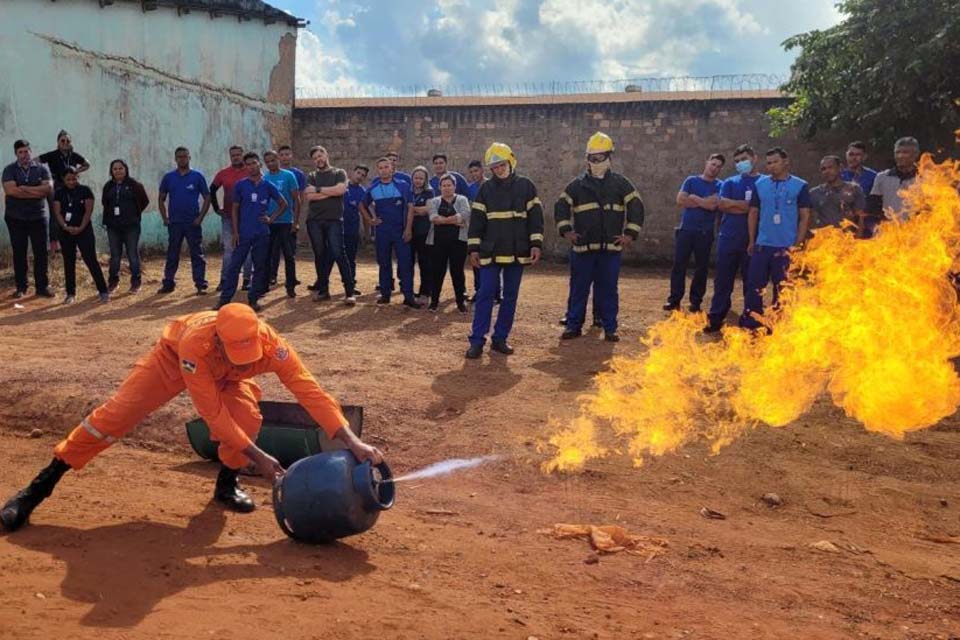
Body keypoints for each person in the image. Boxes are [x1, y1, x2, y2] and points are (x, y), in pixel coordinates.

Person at [0, 303, 385, 532]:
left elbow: (310, 391)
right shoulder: (196, 343)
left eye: (250, 355)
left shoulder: (273, 346)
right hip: (171, 363)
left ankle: (226, 485)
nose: (248, 361)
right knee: (113, 417)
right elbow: (212, 414)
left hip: (225, 376)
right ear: (218, 338)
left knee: (247, 418)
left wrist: (352, 441)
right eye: (238, 353)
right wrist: (259, 458)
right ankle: (37, 490)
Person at [555, 132, 644, 343]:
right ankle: (574, 325)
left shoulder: (621, 184)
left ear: (609, 157)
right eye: (592, 158)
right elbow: (561, 206)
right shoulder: (577, 185)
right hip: (583, 249)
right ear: (587, 159)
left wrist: (630, 234)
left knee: (608, 290)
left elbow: (636, 206)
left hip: (610, 250)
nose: (596, 162)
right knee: (579, 289)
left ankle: (609, 327)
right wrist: (566, 230)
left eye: (600, 157)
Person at [465, 143, 543, 358]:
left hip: (518, 251)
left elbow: (536, 218)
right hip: (490, 251)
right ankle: (477, 340)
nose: (499, 170)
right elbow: (477, 222)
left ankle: (500, 338)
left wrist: (536, 244)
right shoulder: (485, 189)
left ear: (511, 161)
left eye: (501, 165)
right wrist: (473, 249)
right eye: (495, 167)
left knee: (510, 296)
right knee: (485, 294)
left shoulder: (526, 186)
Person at [740, 147, 812, 330]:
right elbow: (753, 213)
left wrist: (798, 243)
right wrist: (752, 240)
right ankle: (752, 323)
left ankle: (778, 325)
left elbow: (804, 216)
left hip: (786, 247)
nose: (771, 166)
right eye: (769, 163)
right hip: (763, 245)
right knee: (754, 286)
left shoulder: (800, 185)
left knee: (783, 289)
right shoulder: (760, 184)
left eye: (775, 162)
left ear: (786, 162)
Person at [216, 152, 287, 312]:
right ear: (246, 167)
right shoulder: (240, 185)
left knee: (260, 267)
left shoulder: (268, 186)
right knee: (234, 266)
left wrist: (271, 219)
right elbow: (235, 209)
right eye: (248, 164)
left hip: (261, 233)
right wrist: (235, 232)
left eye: (254, 163)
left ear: (259, 164)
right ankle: (224, 299)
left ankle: (253, 299)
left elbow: (283, 204)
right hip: (243, 233)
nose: (251, 167)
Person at [705, 145, 761, 333]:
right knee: (722, 281)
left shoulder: (764, 183)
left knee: (752, 282)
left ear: (754, 158)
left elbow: (760, 209)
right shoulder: (730, 182)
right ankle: (715, 318)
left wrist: (735, 205)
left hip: (753, 241)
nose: (740, 164)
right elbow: (722, 205)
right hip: (728, 239)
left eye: (744, 159)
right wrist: (748, 206)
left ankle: (750, 320)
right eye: (737, 161)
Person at [665, 153, 725, 312]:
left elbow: (713, 206)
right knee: (679, 265)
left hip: (705, 233)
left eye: (718, 166)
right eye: (713, 164)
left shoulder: (721, 185)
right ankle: (674, 300)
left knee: (701, 268)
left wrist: (694, 198)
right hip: (686, 230)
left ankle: (696, 301)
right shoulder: (691, 180)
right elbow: (680, 200)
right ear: (707, 163)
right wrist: (704, 201)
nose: (714, 168)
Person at [360, 157, 421, 308]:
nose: (384, 170)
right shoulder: (373, 188)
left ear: (392, 169)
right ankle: (385, 294)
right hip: (382, 232)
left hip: (400, 231)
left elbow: (411, 208)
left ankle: (408, 296)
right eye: (380, 168)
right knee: (384, 263)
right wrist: (370, 220)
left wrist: (408, 229)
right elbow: (361, 205)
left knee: (405, 263)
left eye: (386, 167)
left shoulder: (403, 185)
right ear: (377, 171)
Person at [304, 145, 356, 304]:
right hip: (314, 221)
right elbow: (309, 196)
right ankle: (323, 291)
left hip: (334, 220)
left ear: (326, 155)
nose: (318, 159)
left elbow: (340, 190)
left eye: (320, 156)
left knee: (339, 253)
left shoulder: (339, 173)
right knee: (319, 255)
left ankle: (349, 292)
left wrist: (318, 190)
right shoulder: (311, 176)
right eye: (315, 158)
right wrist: (330, 192)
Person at [2, 139, 54, 298]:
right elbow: (11, 191)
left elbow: (48, 189)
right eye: (21, 152)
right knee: (19, 252)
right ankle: (21, 287)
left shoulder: (42, 169)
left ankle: (42, 287)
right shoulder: (9, 170)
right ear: (16, 154)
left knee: (41, 252)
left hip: (38, 217)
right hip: (15, 218)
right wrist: (36, 191)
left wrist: (24, 188)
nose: (24, 155)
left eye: (26, 151)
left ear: (31, 151)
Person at [51, 168, 109, 304]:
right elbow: (57, 212)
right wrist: (65, 226)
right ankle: (70, 293)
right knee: (68, 261)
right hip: (65, 232)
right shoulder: (59, 193)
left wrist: (81, 227)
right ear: (63, 180)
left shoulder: (85, 190)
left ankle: (103, 291)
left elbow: (88, 212)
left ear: (77, 177)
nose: (71, 182)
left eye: (74, 178)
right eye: (68, 179)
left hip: (84, 230)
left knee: (90, 259)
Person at [158, 147, 211, 295]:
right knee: (172, 254)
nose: (182, 159)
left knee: (197, 254)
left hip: (192, 222)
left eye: (185, 156)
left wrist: (200, 218)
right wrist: (165, 218)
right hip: (175, 223)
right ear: (175, 159)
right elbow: (161, 198)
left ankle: (200, 283)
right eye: (179, 157)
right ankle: (168, 283)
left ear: (189, 158)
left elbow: (207, 197)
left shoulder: (197, 176)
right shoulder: (169, 177)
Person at [101, 159, 150, 294]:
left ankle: (136, 283)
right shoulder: (108, 186)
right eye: (115, 169)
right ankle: (113, 282)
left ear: (126, 169)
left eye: (120, 168)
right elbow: (105, 202)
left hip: (131, 226)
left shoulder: (134, 185)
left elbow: (144, 201)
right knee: (115, 255)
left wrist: (133, 214)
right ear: (111, 171)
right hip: (113, 226)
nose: (118, 171)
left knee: (132, 254)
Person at [39, 130, 90, 253]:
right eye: (62, 140)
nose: (65, 143)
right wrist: (43, 177)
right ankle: (54, 244)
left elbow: (87, 164)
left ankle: (74, 241)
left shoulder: (74, 155)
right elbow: (35, 161)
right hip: (57, 187)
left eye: (68, 141)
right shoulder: (52, 155)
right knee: (55, 214)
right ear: (58, 142)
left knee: (75, 211)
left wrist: (76, 171)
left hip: (72, 186)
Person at [426, 174, 471, 313]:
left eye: (449, 185)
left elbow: (465, 214)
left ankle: (460, 302)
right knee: (437, 272)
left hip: (458, 243)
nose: (446, 188)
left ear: (454, 186)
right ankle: (434, 302)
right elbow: (433, 218)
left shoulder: (462, 199)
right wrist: (455, 220)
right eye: (444, 185)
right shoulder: (434, 201)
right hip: (437, 243)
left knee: (457, 272)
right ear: (439, 187)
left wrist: (443, 220)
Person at [211, 146, 253, 292]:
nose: (235, 157)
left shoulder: (250, 172)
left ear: (242, 155)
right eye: (233, 155)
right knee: (229, 249)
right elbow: (212, 190)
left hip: (247, 218)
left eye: (238, 155)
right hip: (228, 217)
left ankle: (247, 280)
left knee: (248, 249)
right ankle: (225, 280)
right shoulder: (223, 173)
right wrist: (217, 208)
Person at [262, 150, 301, 298]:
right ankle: (265, 284)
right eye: (268, 162)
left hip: (286, 222)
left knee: (289, 256)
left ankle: (290, 286)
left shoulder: (288, 176)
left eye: (273, 160)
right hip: (269, 222)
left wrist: (295, 222)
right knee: (267, 254)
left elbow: (296, 200)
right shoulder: (264, 178)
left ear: (278, 159)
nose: (271, 163)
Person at [867, 136, 920, 231]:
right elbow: (873, 207)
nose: (900, 156)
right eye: (897, 152)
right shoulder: (882, 177)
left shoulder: (927, 178)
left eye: (905, 152)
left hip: (917, 232)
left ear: (915, 154)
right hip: (889, 232)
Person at [273, 145, 307, 288]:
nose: (285, 157)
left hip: (290, 217)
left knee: (290, 249)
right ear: (278, 157)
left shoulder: (297, 174)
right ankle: (272, 276)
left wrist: (296, 217)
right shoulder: (271, 174)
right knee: (273, 249)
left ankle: (291, 278)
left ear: (291, 155)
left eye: (287, 154)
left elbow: (301, 196)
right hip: (274, 217)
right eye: (282, 155)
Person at [809, 155, 867, 234]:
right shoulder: (814, 193)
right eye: (823, 169)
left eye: (830, 167)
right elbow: (809, 220)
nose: (827, 171)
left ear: (840, 168)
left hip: (848, 237)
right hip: (824, 238)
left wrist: (858, 238)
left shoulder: (854, 189)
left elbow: (861, 218)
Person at [409, 166, 435, 301]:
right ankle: (408, 290)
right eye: (416, 178)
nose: (418, 180)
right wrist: (417, 210)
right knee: (408, 262)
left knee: (425, 262)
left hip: (423, 232)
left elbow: (428, 209)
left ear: (425, 180)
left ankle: (425, 292)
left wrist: (410, 209)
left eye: (421, 178)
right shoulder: (408, 192)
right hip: (409, 232)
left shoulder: (429, 192)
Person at [342, 165, 368, 296]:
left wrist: (367, 233)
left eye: (363, 175)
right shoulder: (341, 186)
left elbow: (365, 213)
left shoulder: (362, 192)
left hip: (352, 230)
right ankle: (322, 284)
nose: (360, 176)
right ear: (352, 172)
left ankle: (351, 284)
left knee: (350, 258)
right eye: (358, 173)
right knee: (328, 257)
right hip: (336, 228)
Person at [465, 159, 488, 302]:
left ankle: (496, 292)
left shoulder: (491, 186)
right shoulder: (470, 189)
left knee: (492, 261)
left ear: (482, 170)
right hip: (476, 229)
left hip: (491, 229)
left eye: (476, 171)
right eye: (471, 172)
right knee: (476, 259)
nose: (474, 174)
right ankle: (478, 290)